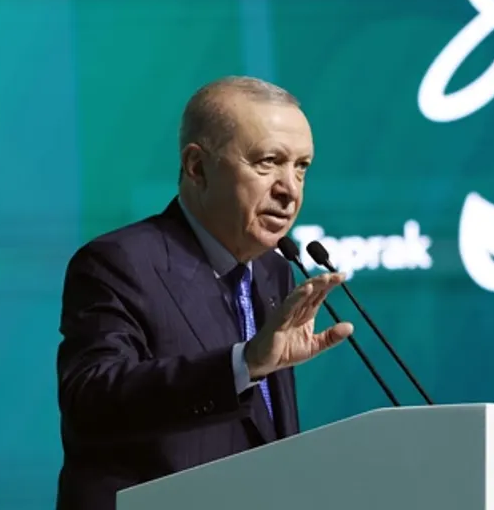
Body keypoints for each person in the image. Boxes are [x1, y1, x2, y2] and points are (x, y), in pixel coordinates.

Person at [55, 76, 354, 510]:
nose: (290, 189)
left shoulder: (273, 270)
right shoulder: (119, 262)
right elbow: (91, 401)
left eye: (301, 167)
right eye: (268, 162)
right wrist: (245, 363)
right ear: (197, 167)